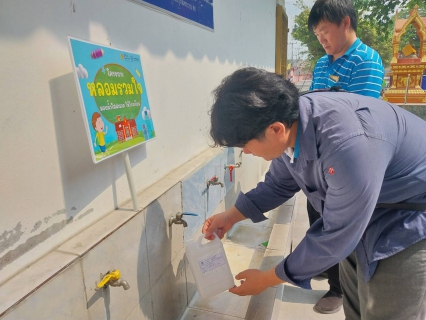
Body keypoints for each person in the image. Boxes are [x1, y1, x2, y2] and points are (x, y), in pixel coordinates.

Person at [203, 67, 426, 320]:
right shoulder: (293, 123)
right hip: (365, 210)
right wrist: (231, 216)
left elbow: (335, 234)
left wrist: (267, 278)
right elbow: (278, 184)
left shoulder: (348, 145)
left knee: (387, 311)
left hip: (407, 218)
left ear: (275, 129)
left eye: (245, 145)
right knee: (356, 308)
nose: (247, 152)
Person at [305, 0, 385, 312]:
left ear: (345, 23)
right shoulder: (323, 62)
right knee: (316, 214)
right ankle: (325, 265)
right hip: (318, 153)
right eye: (316, 34)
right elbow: (312, 101)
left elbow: (357, 114)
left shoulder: (367, 60)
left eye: (324, 31)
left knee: (338, 220)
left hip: (347, 156)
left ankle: (338, 289)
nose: (321, 39)